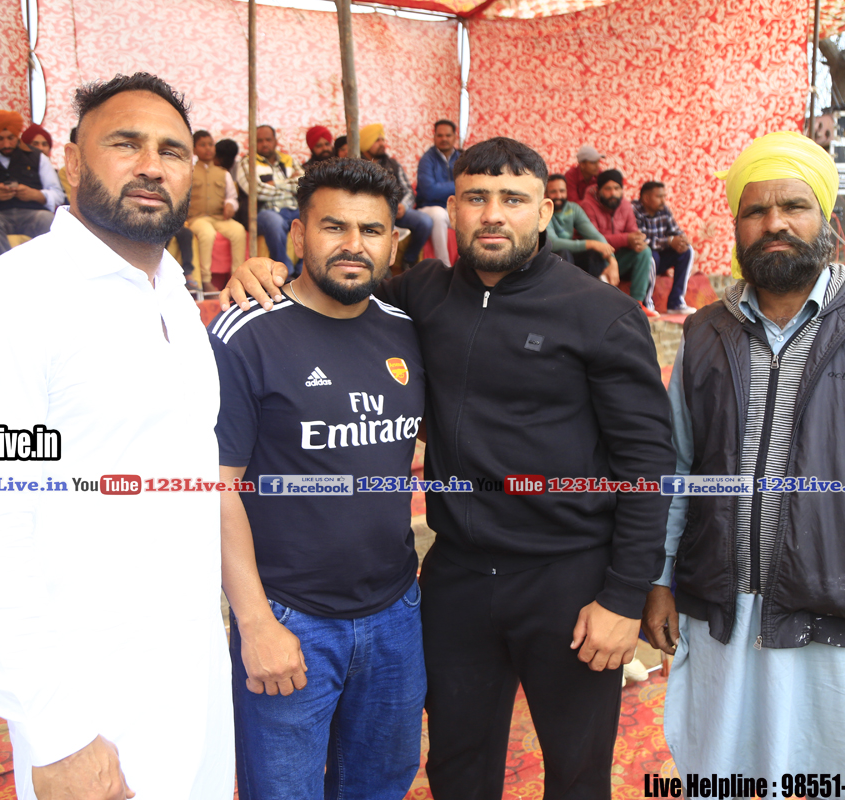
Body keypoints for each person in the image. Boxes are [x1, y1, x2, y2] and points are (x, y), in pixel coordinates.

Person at [223, 137, 677, 800]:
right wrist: (262, 270)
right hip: (456, 578)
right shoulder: (421, 296)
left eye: (513, 199)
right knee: (457, 765)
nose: (493, 214)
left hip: (568, 580)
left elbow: (647, 465)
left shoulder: (600, 314)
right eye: (475, 198)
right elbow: (338, 280)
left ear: (545, 212)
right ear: (451, 209)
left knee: (578, 773)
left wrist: (623, 595)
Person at [0, 72, 234, 800]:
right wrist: (55, 730)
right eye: (126, 144)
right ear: (69, 163)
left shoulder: (175, 298)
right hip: (89, 697)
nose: (152, 165)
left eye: (172, 151)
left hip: (193, 671)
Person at [642, 130, 845, 777]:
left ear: (825, 219)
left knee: (838, 775)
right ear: (737, 225)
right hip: (719, 610)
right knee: (717, 775)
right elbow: (677, 467)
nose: (774, 223)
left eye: (793, 206)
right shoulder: (704, 333)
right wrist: (660, 577)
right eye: (756, 210)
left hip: (840, 611)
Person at [211, 157, 426, 800]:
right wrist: (255, 623)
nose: (354, 244)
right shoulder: (247, 331)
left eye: (371, 230)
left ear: (394, 242)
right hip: (290, 617)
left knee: (381, 786)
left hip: (396, 611)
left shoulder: (407, 332)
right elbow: (216, 489)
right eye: (334, 227)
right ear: (299, 235)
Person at [0, 110, 64, 258]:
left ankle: (45, 264)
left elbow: (58, 194)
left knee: (47, 219)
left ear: (17, 135)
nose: (6, 144)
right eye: (0, 139)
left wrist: (35, 194)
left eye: (11, 138)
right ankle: (8, 265)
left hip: (33, 214)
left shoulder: (37, 156)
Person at [581, 169, 656, 312]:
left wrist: (637, 241)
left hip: (620, 258)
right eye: (608, 189)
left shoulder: (625, 205)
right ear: (599, 190)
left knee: (644, 251)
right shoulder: (587, 205)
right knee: (592, 254)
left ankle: (637, 304)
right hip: (597, 259)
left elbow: (632, 232)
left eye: (616, 188)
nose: (613, 193)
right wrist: (627, 239)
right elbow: (594, 238)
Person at [360, 124, 431, 267]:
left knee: (425, 222)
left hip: (396, 212)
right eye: (377, 140)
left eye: (382, 139)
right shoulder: (358, 165)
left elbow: (408, 190)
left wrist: (403, 206)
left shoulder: (393, 164)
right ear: (366, 143)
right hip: (370, 213)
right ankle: (380, 266)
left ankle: (409, 260)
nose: (382, 143)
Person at [187, 129, 245, 289]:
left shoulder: (223, 173)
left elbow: (232, 197)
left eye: (210, 144)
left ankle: (237, 279)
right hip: (197, 218)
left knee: (239, 231)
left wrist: (230, 205)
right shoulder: (189, 172)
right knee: (207, 233)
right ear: (194, 150)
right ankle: (206, 280)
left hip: (220, 218)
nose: (208, 148)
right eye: (202, 145)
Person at [244, 125, 302, 270]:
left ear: (275, 141)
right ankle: (284, 269)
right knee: (274, 222)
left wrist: (274, 184)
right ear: (252, 142)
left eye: (268, 140)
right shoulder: (248, 162)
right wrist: (289, 184)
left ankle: (304, 269)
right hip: (267, 211)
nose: (264, 144)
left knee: (313, 218)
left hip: (294, 208)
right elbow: (256, 191)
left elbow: (303, 184)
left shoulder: (288, 160)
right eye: (259, 141)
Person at [632, 181, 696, 314]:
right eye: (659, 196)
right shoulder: (634, 210)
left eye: (664, 196)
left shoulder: (664, 210)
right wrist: (669, 241)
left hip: (659, 259)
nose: (663, 200)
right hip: (638, 262)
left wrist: (681, 240)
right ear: (646, 198)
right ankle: (647, 303)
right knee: (650, 254)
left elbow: (676, 231)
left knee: (687, 250)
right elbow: (641, 240)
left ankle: (676, 302)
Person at [544, 172, 617, 283]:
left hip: (570, 256)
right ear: (546, 193)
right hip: (548, 259)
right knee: (563, 253)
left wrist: (612, 260)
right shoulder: (543, 210)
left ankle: (595, 289)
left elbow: (594, 235)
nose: (559, 196)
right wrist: (590, 244)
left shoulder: (573, 209)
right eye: (553, 192)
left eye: (562, 191)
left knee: (593, 255)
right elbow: (553, 243)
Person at [415, 119, 461, 266]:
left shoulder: (461, 158)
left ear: (455, 137)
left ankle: (464, 265)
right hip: (429, 208)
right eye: (440, 135)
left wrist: (443, 187)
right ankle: (444, 266)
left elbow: (471, 185)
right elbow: (429, 191)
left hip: (454, 208)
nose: (444, 139)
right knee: (439, 214)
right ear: (434, 137)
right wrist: (458, 185)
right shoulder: (427, 159)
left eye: (448, 135)